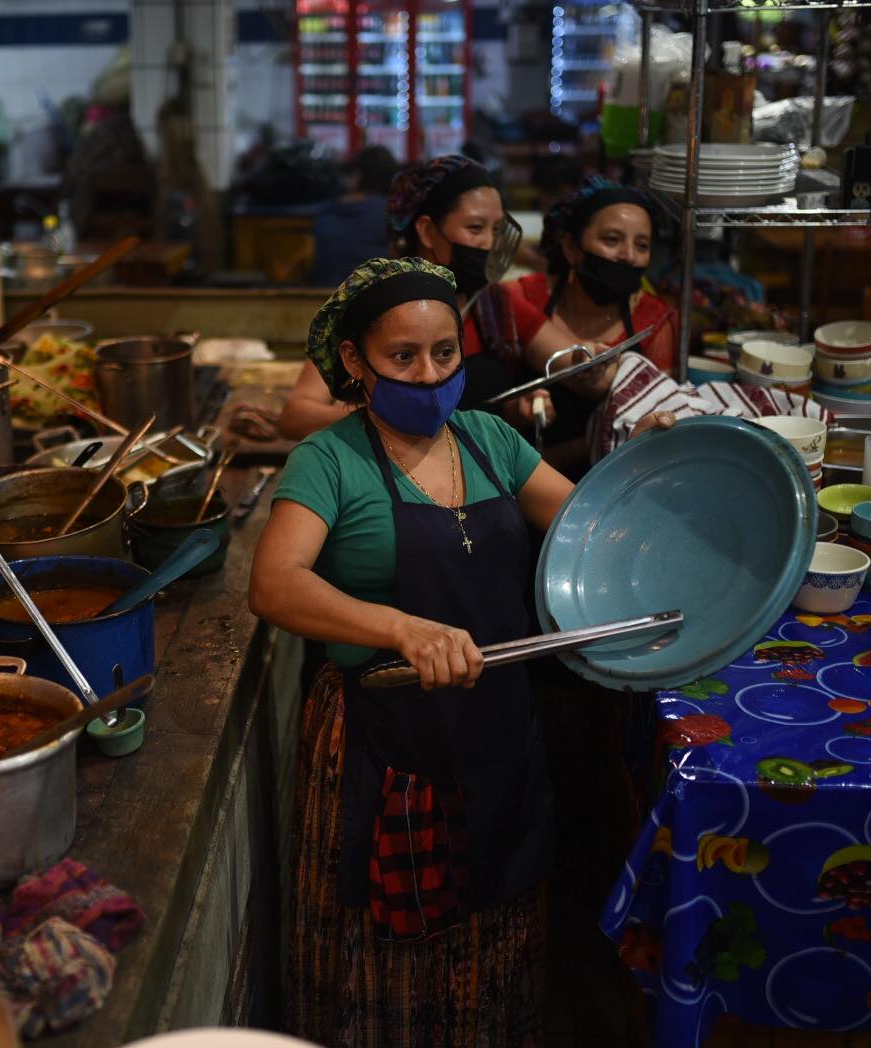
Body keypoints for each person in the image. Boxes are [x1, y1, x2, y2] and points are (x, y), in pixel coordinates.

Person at [251, 258, 672, 1044]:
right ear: (353, 361)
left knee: (493, 934)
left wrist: (652, 475)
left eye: (444, 353)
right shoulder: (331, 461)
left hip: (498, 729)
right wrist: (401, 627)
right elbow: (275, 584)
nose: (430, 374)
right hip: (387, 744)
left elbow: (587, 529)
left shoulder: (487, 439)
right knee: (399, 954)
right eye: (403, 357)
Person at [275, 155, 548, 441]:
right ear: (428, 231)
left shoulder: (496, 306)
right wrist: (388, 415)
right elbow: (296, 416)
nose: (490, 244)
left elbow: (573, 360)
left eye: (496, 230)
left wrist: (519, 408)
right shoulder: (377, 303)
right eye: (475, 228)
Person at [515, 180, 682, 472]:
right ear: (571, 248)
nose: (628, 255)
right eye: (612, 240)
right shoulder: (527, 296)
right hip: (514, 469)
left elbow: (659, 415)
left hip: (611, 476)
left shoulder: (656, 320)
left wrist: (556, 460)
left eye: (641, 245)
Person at [308, 146, 400, 286]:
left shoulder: (327, 210)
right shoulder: (390, 213)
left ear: (358, 174)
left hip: (325, 295)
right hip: (374, 296)